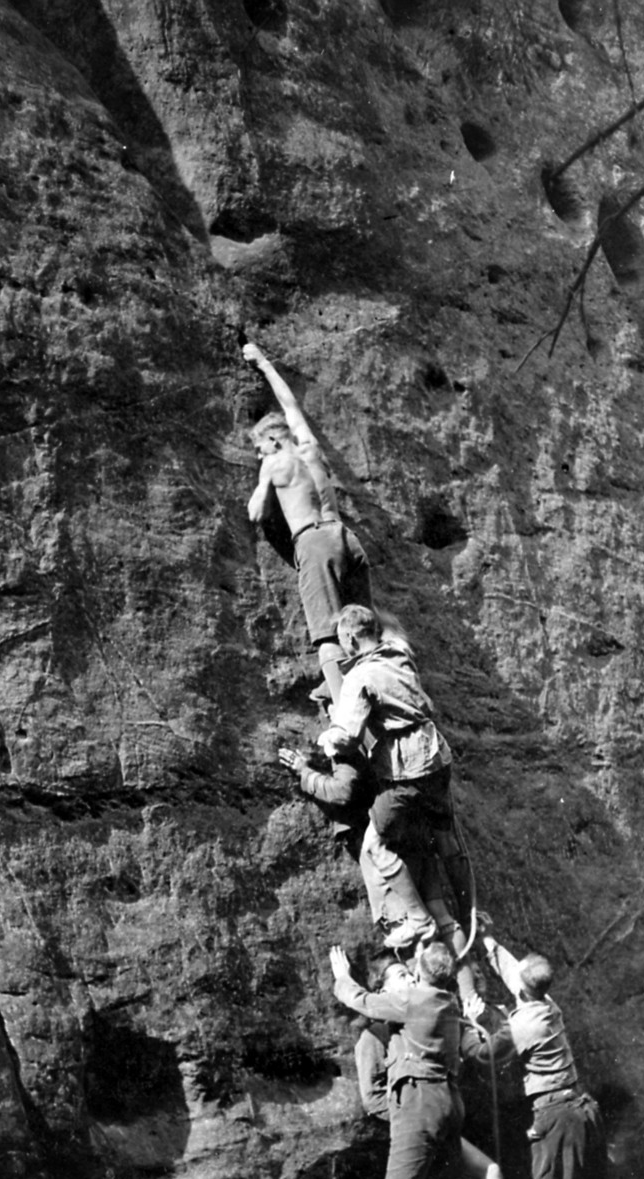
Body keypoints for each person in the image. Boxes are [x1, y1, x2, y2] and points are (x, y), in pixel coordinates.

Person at [318, 604, 474, 962]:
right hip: (437, 758)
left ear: (353, 639)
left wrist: (329, 738)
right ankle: (467, 914)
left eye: (344, 641)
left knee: (375, 844)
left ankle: (419, 918)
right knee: (444, 832)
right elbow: (392, 633)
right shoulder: (401, 655)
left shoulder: (360, 676)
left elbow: (350, 735)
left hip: (407, 770)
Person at [330, 941, 490, 1179]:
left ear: (418, 973)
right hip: (447, 1103)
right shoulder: (446, 1002)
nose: (406, 981)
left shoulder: (411, 1002)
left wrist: (342, 977)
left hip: (420, 1104)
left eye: (408, 973)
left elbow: (360, 1000)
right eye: (398, 976)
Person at [353, 963, 523, 1179]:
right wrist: (406, 1114)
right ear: (382, 992)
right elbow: (371, 1097)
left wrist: (470, 1023)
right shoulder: (373, 1036)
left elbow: (462, 1056)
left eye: (411, 973)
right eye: (401, 976)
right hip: (415, 1123)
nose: (411, 978)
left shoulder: (425, 1014)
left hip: (440, 1116)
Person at [243, 342, 372, 703]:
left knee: (328, 636)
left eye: (259, 447)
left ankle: (346, 712)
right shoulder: (310, 449)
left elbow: (256, 513)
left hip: (313, 543)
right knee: (361, 628)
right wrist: (264, 363)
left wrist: (264, 483)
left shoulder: (274, 462)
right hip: (346, 537)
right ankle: (354, 688)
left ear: (272, 441)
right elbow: (291, 407)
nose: (258, 454)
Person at [466, 951, 607, 1179]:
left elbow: (484, 1055)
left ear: (520, 989)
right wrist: (488, 941)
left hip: (556, 1116)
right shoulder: (548, 1005)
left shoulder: (521, 1026)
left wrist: (470, 1026)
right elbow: (514, 974)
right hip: (578, 1107)